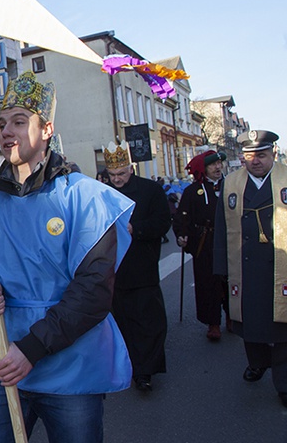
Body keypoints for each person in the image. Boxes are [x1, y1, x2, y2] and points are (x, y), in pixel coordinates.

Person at [0, 71, 134, 442]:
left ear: (47, 129)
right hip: (1, 356)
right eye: (3, 123)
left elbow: (93, 290)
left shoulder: (83, 197)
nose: (6, 131)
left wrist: (33, 348)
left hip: (69, 364)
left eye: (20, 122)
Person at [214, 130, 287, 411]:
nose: (255, 161)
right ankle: (259, 362)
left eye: (261, 155)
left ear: (273, 153)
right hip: (246, 268)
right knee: (250, 324)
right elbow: (221, 228)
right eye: (249, 156)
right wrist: (220, 267)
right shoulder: (231, 183)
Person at [105, 140, 172, 392]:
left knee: (148, 322)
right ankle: (127, 364)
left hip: (142, 266)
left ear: (130, 169)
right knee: (122, 322)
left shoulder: (151, 190)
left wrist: (137, 229)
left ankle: (146, 370)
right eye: (112, 175)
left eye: (121, 174)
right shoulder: (104, 192)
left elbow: (163, 221)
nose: (117, 179)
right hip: (114, 269)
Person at [173, 150, 229, 340]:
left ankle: (233, 315)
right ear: (204, 169)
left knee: (230, 280)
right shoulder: (192, 191)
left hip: (229, 240)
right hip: (205, 242)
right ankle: (213, 323)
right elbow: (182, 217)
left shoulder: (231, 186)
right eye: (213, 165)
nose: (218, 167)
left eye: (219, 164)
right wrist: (182, 235)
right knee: (208, 282)